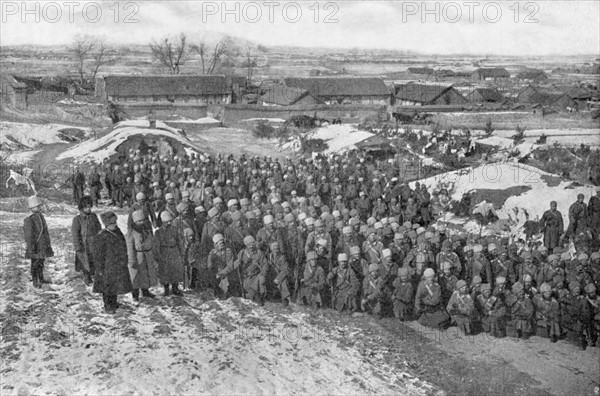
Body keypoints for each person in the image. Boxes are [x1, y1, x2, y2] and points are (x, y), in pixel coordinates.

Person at [92, 211, 133, 314]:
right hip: (107, 267)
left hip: (117, 265)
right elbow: (98, 255)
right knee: (107, 288)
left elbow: (123, 246)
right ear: (106, 224)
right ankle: (107, 306)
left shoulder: (117, 232)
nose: (115, 225)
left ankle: (114, 303)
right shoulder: (101, 236)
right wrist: (99, 268)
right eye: (112, 223)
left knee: (115, 286)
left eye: (115, 223)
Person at [126, 210, 158, 302]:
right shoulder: (130, 234)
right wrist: (131, 261)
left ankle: (145, 291)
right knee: (136, 277)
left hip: (146, 256)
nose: (141, 223)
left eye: (142, 220)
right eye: (139, 221)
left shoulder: (146, 231)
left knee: (145, 275)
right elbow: (130, 249)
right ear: (134, 222)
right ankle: (135, 295)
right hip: (137, 257)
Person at [24, 195, 54, 288]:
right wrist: (31, 247)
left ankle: (41, 279)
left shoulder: (41, 217)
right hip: (35, 246)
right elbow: (28, 236)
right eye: (37, 206)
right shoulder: (29, 219)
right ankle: (35, 281)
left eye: (39, 206)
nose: (39, 208)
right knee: (35, 264)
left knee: (41, 263)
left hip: (42, 246)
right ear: (32, 208)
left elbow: (45, 231)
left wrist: (47, 244)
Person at [71, 196, 102, 285]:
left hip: (94, 243)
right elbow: (75, 234)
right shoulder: (77, 219)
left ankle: (94, 275)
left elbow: (98, 228)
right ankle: (86, 277)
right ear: (81, 208)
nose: (89, 209)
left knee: (95, 260)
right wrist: (78, 246)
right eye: (86, 207)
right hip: (84, 244)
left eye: (90, 207)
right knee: (85, 261)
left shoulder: (93, 216)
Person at [153, 212, 185, 296]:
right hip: (164, 253)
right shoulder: (158, 232)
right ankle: (166, 289)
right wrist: (157, 255)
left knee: (175, 270)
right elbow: (156, 245)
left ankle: (175, 288)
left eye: (170, 221)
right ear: (163, 222)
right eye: (167, 221)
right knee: (165, 271)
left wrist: (182, 253)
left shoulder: (174, 230)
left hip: (174, 251)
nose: (169, 223)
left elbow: (179, 242)